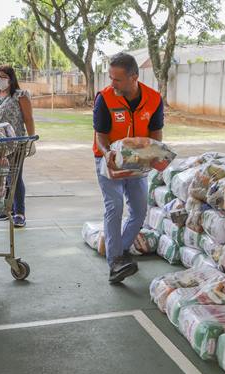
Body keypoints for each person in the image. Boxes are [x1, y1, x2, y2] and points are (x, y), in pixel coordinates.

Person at [93, 52, 164, 284]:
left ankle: (119, 250)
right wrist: (107, 154)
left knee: (140, 211)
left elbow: (156, 135)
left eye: (117, 79)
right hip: (108, 160)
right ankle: (115, 262)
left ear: (134, 77)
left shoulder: (153, 99)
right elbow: (100, 136)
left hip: (136, 161)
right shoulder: (104, 98)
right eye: (111, 78)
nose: (112, 83)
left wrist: (156, 156)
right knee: (114, 206)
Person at [0, 65, 36, 228]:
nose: (0, 79)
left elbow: (28, 118)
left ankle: (19, 212)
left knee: (15, 176)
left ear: (11, 79)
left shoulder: (20, 96)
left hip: (15, 143)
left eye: (4, 76)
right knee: (3, 176)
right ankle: (8, 208)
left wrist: (31, 139)